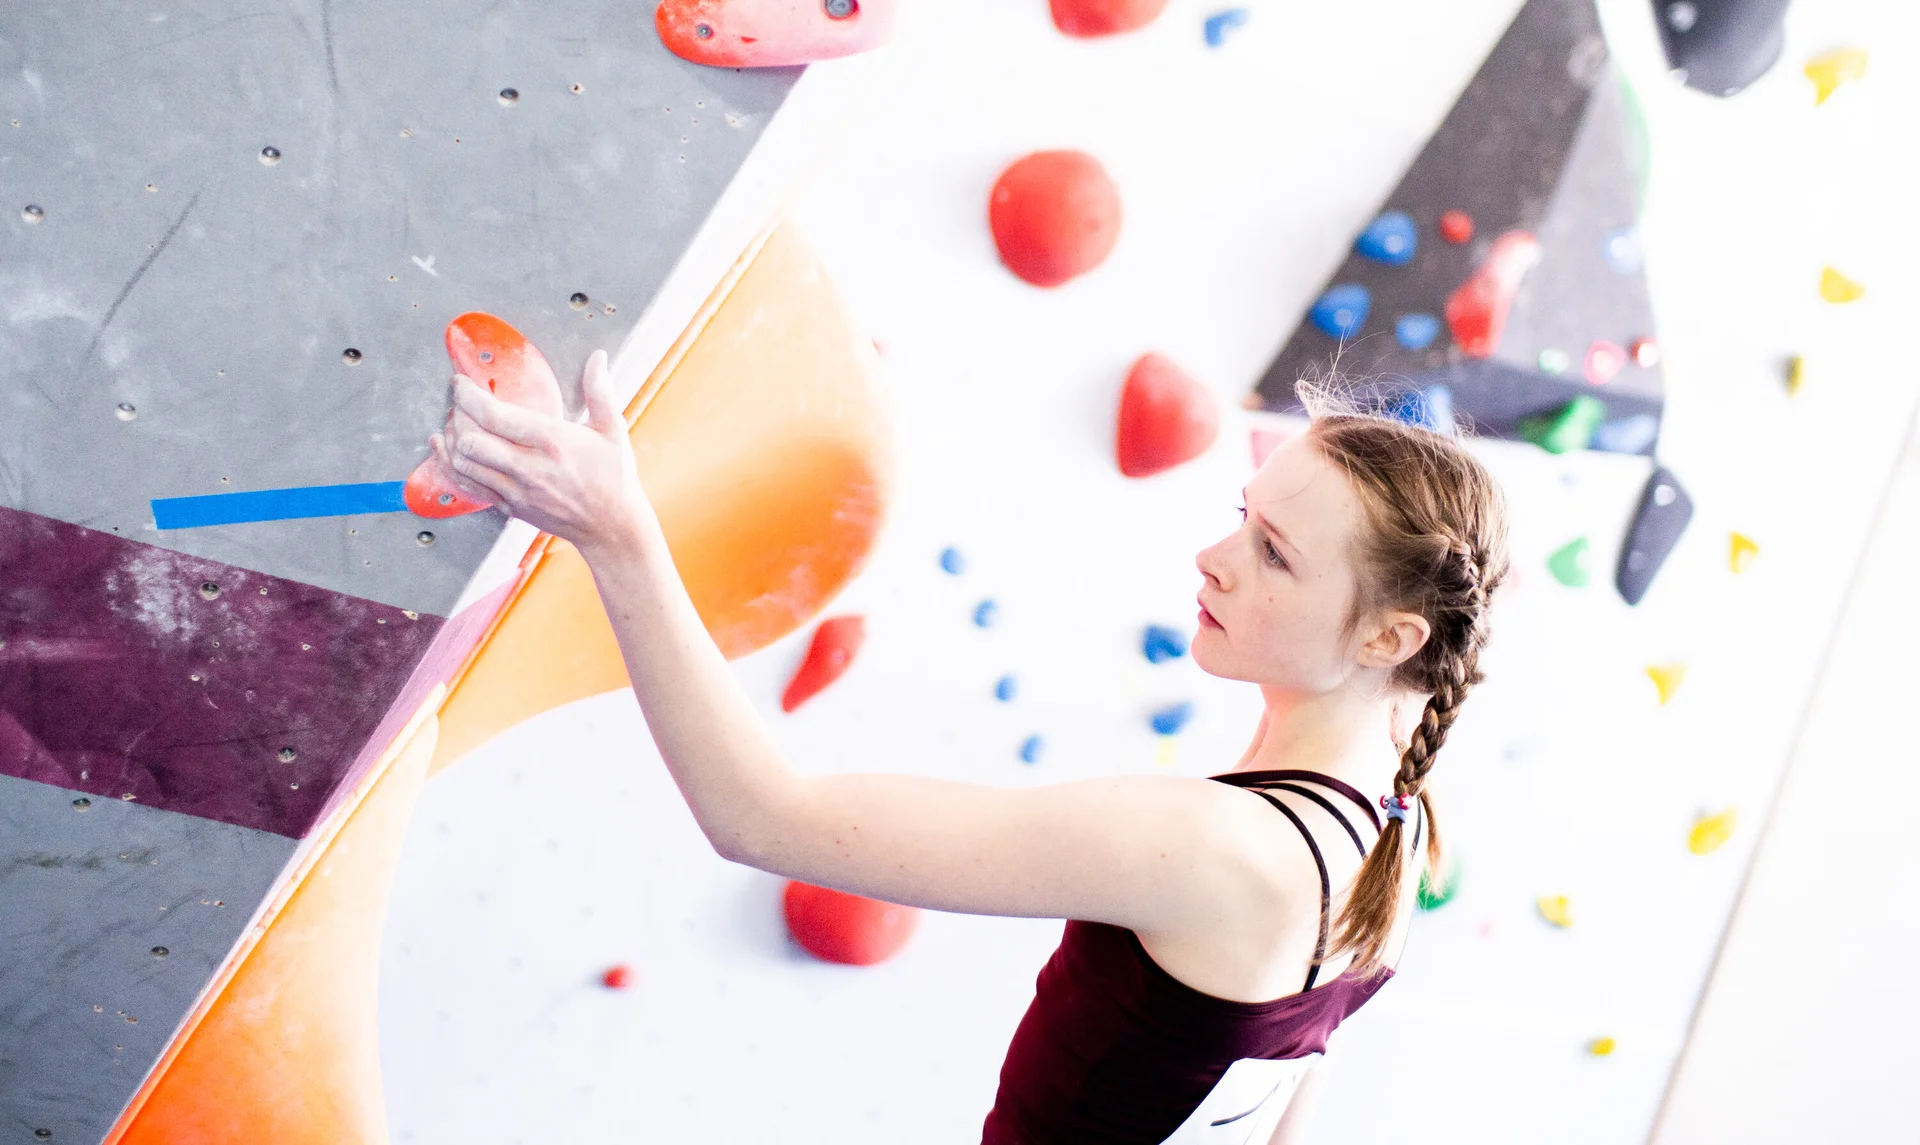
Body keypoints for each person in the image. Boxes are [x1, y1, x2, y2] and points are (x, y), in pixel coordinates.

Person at [430, 351, 1511, 1145]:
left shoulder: (1217, 847)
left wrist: (616, 530)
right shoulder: (1392, 825)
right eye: (1243, 515)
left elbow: (760, 816)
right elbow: (1289, 1094)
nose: (1214, 556)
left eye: (1273, 553)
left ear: (1389, 638)